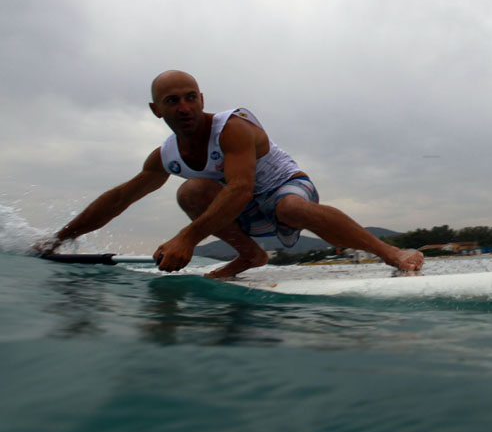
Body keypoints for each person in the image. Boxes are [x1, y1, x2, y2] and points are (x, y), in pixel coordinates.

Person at [35, 70, 424, 278]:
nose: (184, 107)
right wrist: (59, 238)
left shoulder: (232, 128)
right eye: (172, 101)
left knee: (289, 208)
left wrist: (187, 238)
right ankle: (250, 255)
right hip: (245, 210)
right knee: (189, 191)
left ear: (202, 99)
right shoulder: (166, 155)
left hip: (286, 188)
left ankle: (391, 253)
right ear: (156, 110)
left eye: (191, 97)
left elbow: (240, 188)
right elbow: (121, 198)